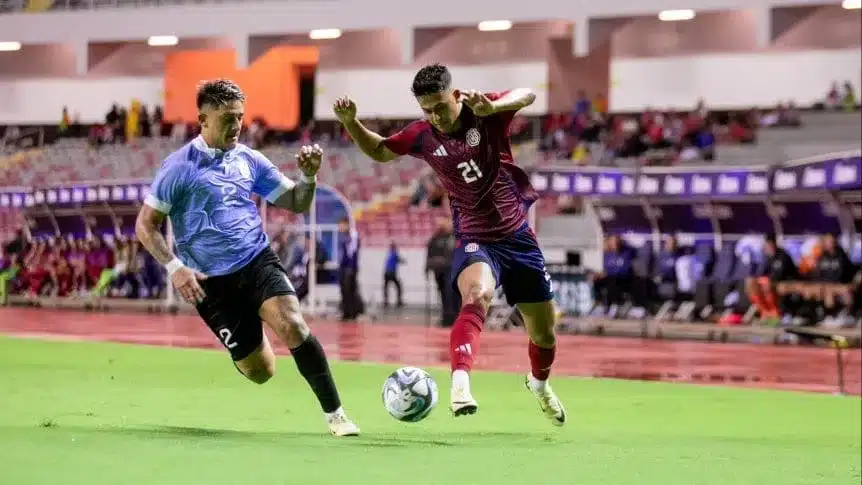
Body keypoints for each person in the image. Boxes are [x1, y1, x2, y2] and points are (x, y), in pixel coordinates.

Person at [333, 64, 565, 426]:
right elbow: (379, 151)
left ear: (455, 95)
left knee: (544, 334)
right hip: (475, 237)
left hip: (518, 239)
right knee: (477, 295)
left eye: (440, 106)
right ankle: (460, 384)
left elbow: (528, 95)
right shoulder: (423, 136)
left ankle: (538, 385)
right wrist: (351, 123)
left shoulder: (482, 112)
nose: (435, 115)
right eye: (427, 109)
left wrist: (497, 107)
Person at [135, 79, 359, 437]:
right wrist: (175, 268)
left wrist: (309, 175)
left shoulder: (249, 160)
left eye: (240, 116)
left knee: (293, 324)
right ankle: (249, 337)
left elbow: (297, 202)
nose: (236, 125)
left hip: (256, 261)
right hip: (211, 283)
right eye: (227, 118)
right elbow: (146, 226)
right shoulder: (177, 168)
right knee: (261, 372)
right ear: (203, 119)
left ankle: (336, 415)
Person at [383, 241, 405, 308]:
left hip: (386, 273)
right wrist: (404, 261)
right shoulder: (394, 253)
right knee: (398, 286)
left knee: (386, 287)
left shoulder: (388, 253)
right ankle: (399, 301)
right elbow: (399, 260)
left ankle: (386, 302)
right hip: (391, 273)